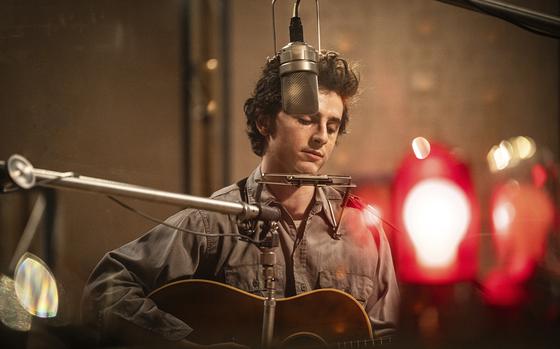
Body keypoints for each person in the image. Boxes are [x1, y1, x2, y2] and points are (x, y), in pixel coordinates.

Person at [81, 50, 399, 348]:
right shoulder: (214, 220)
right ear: (264, 121)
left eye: (332, 127)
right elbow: (105, 289)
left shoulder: (364, 229)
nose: (321, 137)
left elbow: (391, 333)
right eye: (306, 120)